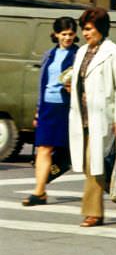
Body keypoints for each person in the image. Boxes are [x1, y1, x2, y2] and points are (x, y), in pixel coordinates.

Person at [67, 8, 116, 227]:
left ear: (101, 29)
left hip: (103, 117)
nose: (85, 34)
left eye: (89, 29)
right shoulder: (82, 51)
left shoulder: (115, 53)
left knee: (94, 165)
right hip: (82, 116)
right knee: (91, 165)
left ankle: (93, 212)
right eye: (83, 29)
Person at [22, 17, 79, 206]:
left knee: (74, 151)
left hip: (66, 108)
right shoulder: (49, 54)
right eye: (64, 34)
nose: (67, 38)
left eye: (71, 34)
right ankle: (39, 192)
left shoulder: (78, 54)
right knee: (43, 148)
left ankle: (112, 187)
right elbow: (42, 83)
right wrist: (38, 110)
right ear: (56, 34)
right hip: (48, 106)